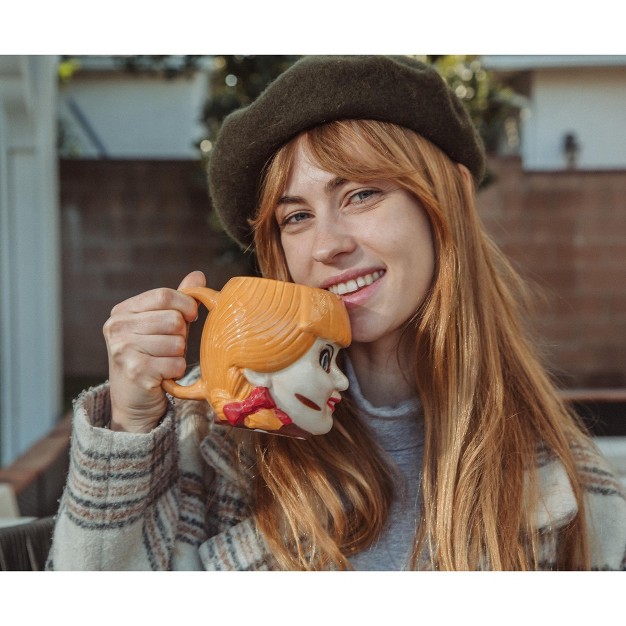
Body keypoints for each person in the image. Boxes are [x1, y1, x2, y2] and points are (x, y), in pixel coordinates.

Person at [47, 55, 626, 571]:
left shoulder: (558, 466)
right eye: (295, 216)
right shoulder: (215, 438)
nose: (327, 245)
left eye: (360, 195)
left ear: (439, 209)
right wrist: (128, 426)